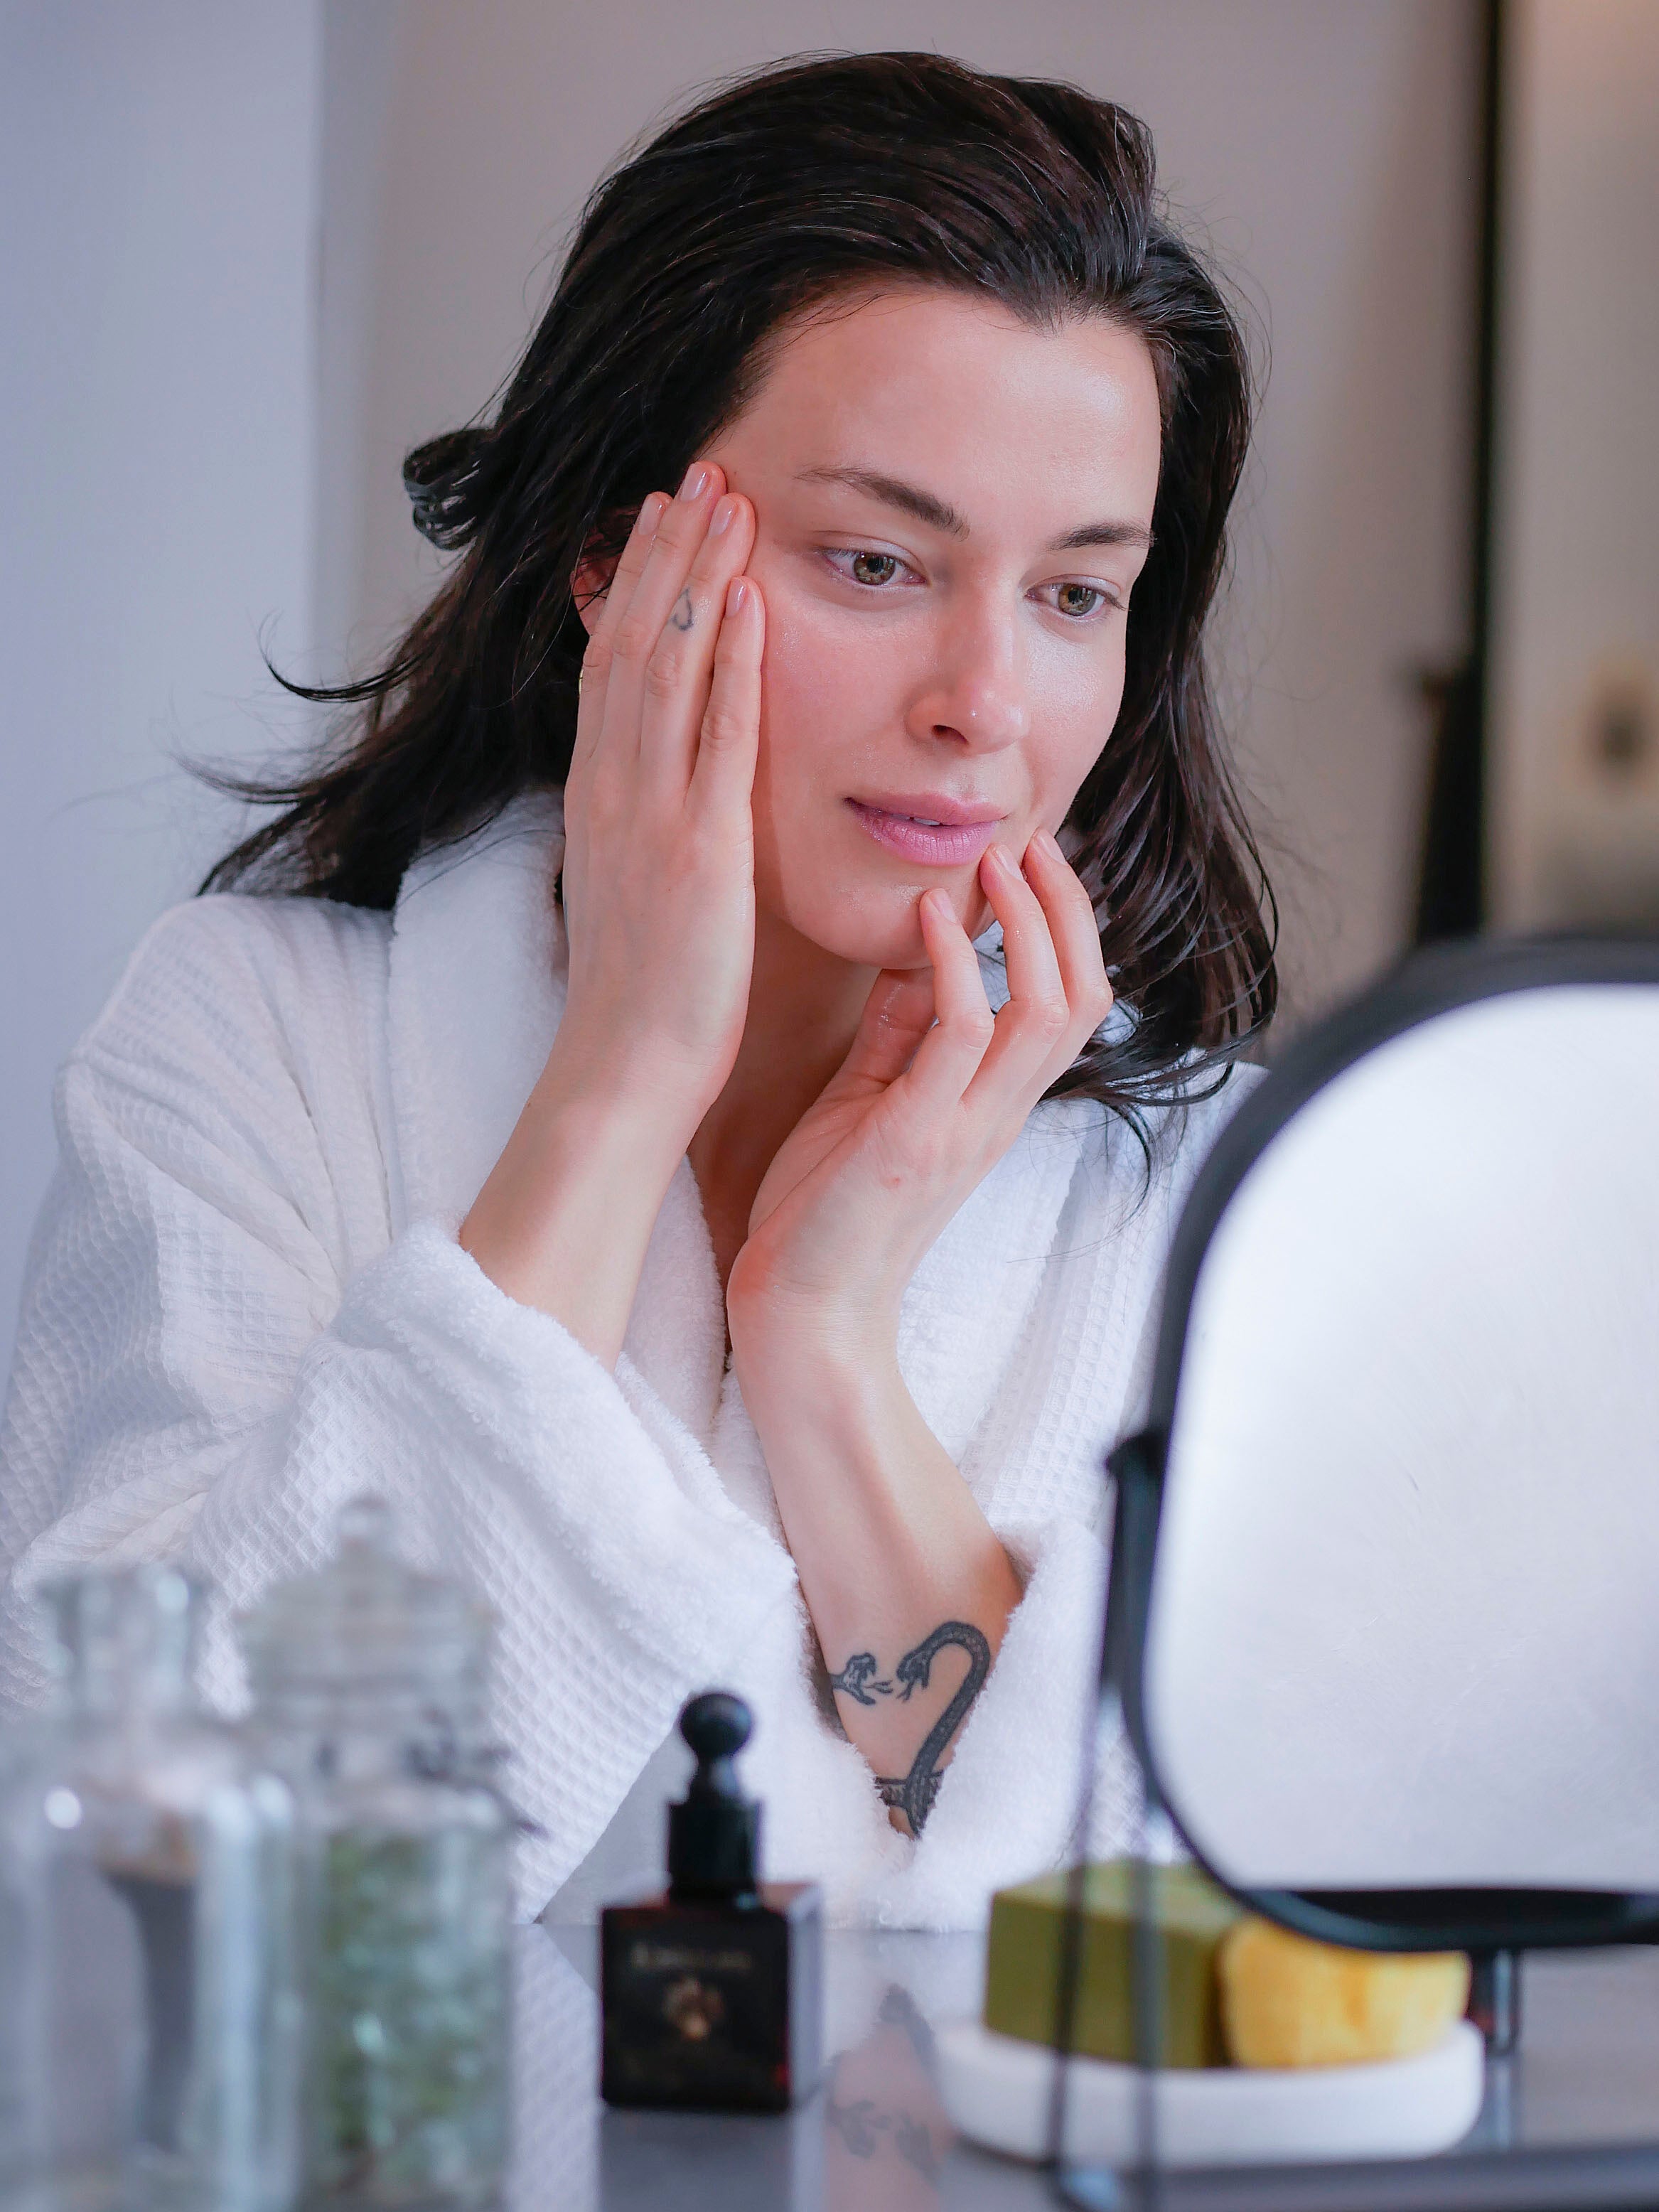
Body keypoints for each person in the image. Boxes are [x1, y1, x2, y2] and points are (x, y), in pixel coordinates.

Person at [0, 52, 1274, 1927]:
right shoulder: (248, 1043)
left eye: (1078, 595)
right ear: (617, 557)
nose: (986, 702)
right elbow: (146, 1871)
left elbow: (1187, 1939)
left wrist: (826, 1335)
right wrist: (614, 1090)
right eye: (876, 559)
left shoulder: (1182, 1185)